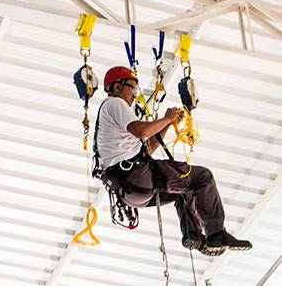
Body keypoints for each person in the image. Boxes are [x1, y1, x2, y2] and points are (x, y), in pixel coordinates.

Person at [94, 66, 252, 256]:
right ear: (117, 86)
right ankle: (216, 233)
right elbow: (142, 131)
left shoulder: (113, 124)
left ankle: (193, 236)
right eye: (133, 88)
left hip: (132, 193)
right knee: (202, 177)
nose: (135, 95)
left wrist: (168, 123)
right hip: (137, 177)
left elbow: (149, 148)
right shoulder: (114, 104)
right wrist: (166, 118)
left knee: (182, 190)